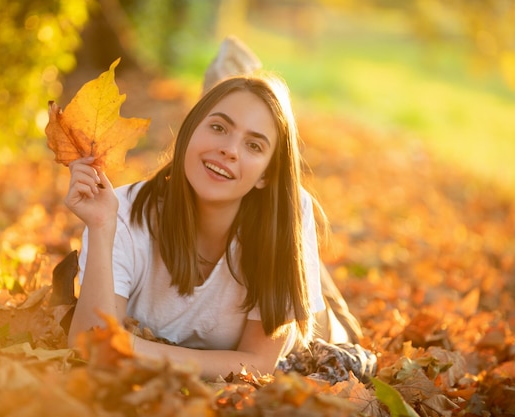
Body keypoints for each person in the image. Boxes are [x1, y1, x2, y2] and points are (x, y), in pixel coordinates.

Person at [64, 73, 341, 380]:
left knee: (334, 320)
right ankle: (234, 73)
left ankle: (238, 73)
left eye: (254, 145)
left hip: (310, 321)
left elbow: (259, 363)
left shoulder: (288, 210)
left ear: (266, 175)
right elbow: (89, 344)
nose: (230, 150)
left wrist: (131, 348)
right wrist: (101, 226)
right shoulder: (120, 212)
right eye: (219, 127)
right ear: (189, 131)